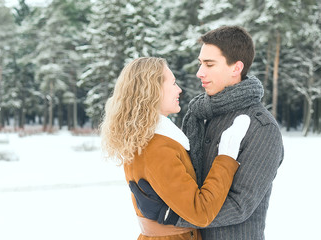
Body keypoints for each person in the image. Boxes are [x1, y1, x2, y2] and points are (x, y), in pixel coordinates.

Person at [130, 26, 284, 240]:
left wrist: (171, 216)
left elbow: (240, 206)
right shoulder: (197, 116)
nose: (199, 72)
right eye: (200, 63)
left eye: (209, 64)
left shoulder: (261, 128)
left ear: (236, 68)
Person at [100, 56, 251, 240]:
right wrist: (226, 157)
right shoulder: (157, 148)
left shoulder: (145, 139)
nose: (179, 89)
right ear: (153, 90)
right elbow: (200, 212)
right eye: (173, 83)